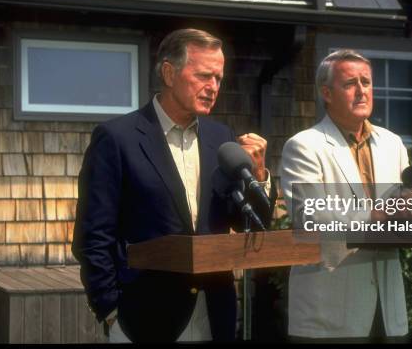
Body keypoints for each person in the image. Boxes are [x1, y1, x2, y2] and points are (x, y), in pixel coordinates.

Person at [72, 29, 277, 343]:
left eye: (219, 79)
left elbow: (250, 222)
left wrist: (260, 175)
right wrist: (111, 311)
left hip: (214, 314)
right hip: (141, 318)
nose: (213, 88)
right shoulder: (116, 138)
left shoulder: (220, 137)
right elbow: (93, 236)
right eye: (204, 76)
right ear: (169, 73)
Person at [280, 49, 412, 340]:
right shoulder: (304, 146)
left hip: (388, 312)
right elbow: (311, 215)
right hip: (330, 313)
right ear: (326, 92)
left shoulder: (392, 143)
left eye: (366, 82)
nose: (361, 91)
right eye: (350, 84)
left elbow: (408, 205)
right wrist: (380, 212)